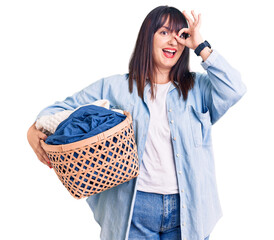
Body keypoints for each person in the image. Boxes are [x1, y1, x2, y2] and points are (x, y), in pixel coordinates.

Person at [27, 5, 247, 240]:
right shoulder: (116, 88)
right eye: (164, 32)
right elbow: (56, 111)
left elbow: (235, 89)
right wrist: (33, 131)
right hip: (134, 209)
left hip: (190, 211)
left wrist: (201, 46)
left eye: (179, 35)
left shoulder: (198, 89)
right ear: (147, 38)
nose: (173, 41)